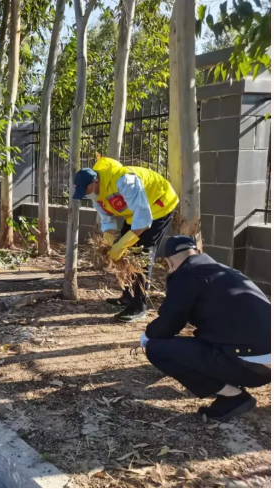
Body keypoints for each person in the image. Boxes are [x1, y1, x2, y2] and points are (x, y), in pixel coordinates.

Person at [140, 236, 271, 421]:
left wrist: (146, 336)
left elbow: (167, 326)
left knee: (156, 348)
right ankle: (227, 382)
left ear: (169, 263)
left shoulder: (186, 275)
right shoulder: (225, 271)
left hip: (249, 367)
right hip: (262, 359)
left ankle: (234, 397)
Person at [72, 157, 179, 322]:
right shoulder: (96, 195)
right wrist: (108, 244)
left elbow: (143, 217)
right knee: (127, 252)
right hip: (136, 213)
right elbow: (107, 220)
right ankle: (127, 297)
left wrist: (122, 244)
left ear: (95, 182)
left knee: (141, 255)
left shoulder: (124, 180)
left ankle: (139, 305)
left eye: (87, 190)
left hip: (159, 205)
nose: (87, 195)